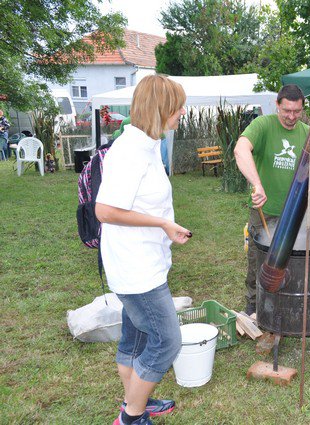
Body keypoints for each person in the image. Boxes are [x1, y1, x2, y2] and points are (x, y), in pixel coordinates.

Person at [95, 75, 191, 425]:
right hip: (137, 270)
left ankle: (136, 399)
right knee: (167, 342)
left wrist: (164, 225)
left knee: (135, 339)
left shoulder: (147, 145)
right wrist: (162, 224)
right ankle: (131, 416)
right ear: (160, 108)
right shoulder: (130, 152)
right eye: (177, 106)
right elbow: (105, 211)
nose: (182, 112)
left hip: (141, 262)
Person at [234, 84, 309, 314]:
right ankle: (253, 306)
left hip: (294, 213)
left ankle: (286, 305)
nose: (291, 117)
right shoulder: (263, 125)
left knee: (292, 261)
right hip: (264, 211)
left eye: (297, 111)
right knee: (258, 261)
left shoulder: (307, 132)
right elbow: (240, 149)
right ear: (277, 105)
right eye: (286, 110)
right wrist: (257, 184)